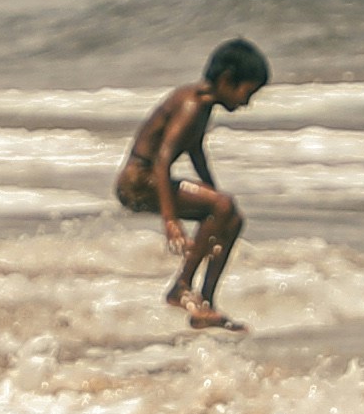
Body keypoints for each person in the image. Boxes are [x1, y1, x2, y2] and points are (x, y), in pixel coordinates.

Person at [116, 40, 273, 328]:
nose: (246, 103)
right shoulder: (190, 105)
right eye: (246, 93)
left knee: (233, 218)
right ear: (226, 80)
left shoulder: (203, 104)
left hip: (149, 179)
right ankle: (182, 287)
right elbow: (162, 160)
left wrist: (212, 191)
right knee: (223, 206)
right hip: (137, 181)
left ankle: (206, 302)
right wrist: (170, 220)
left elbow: (195, 150)